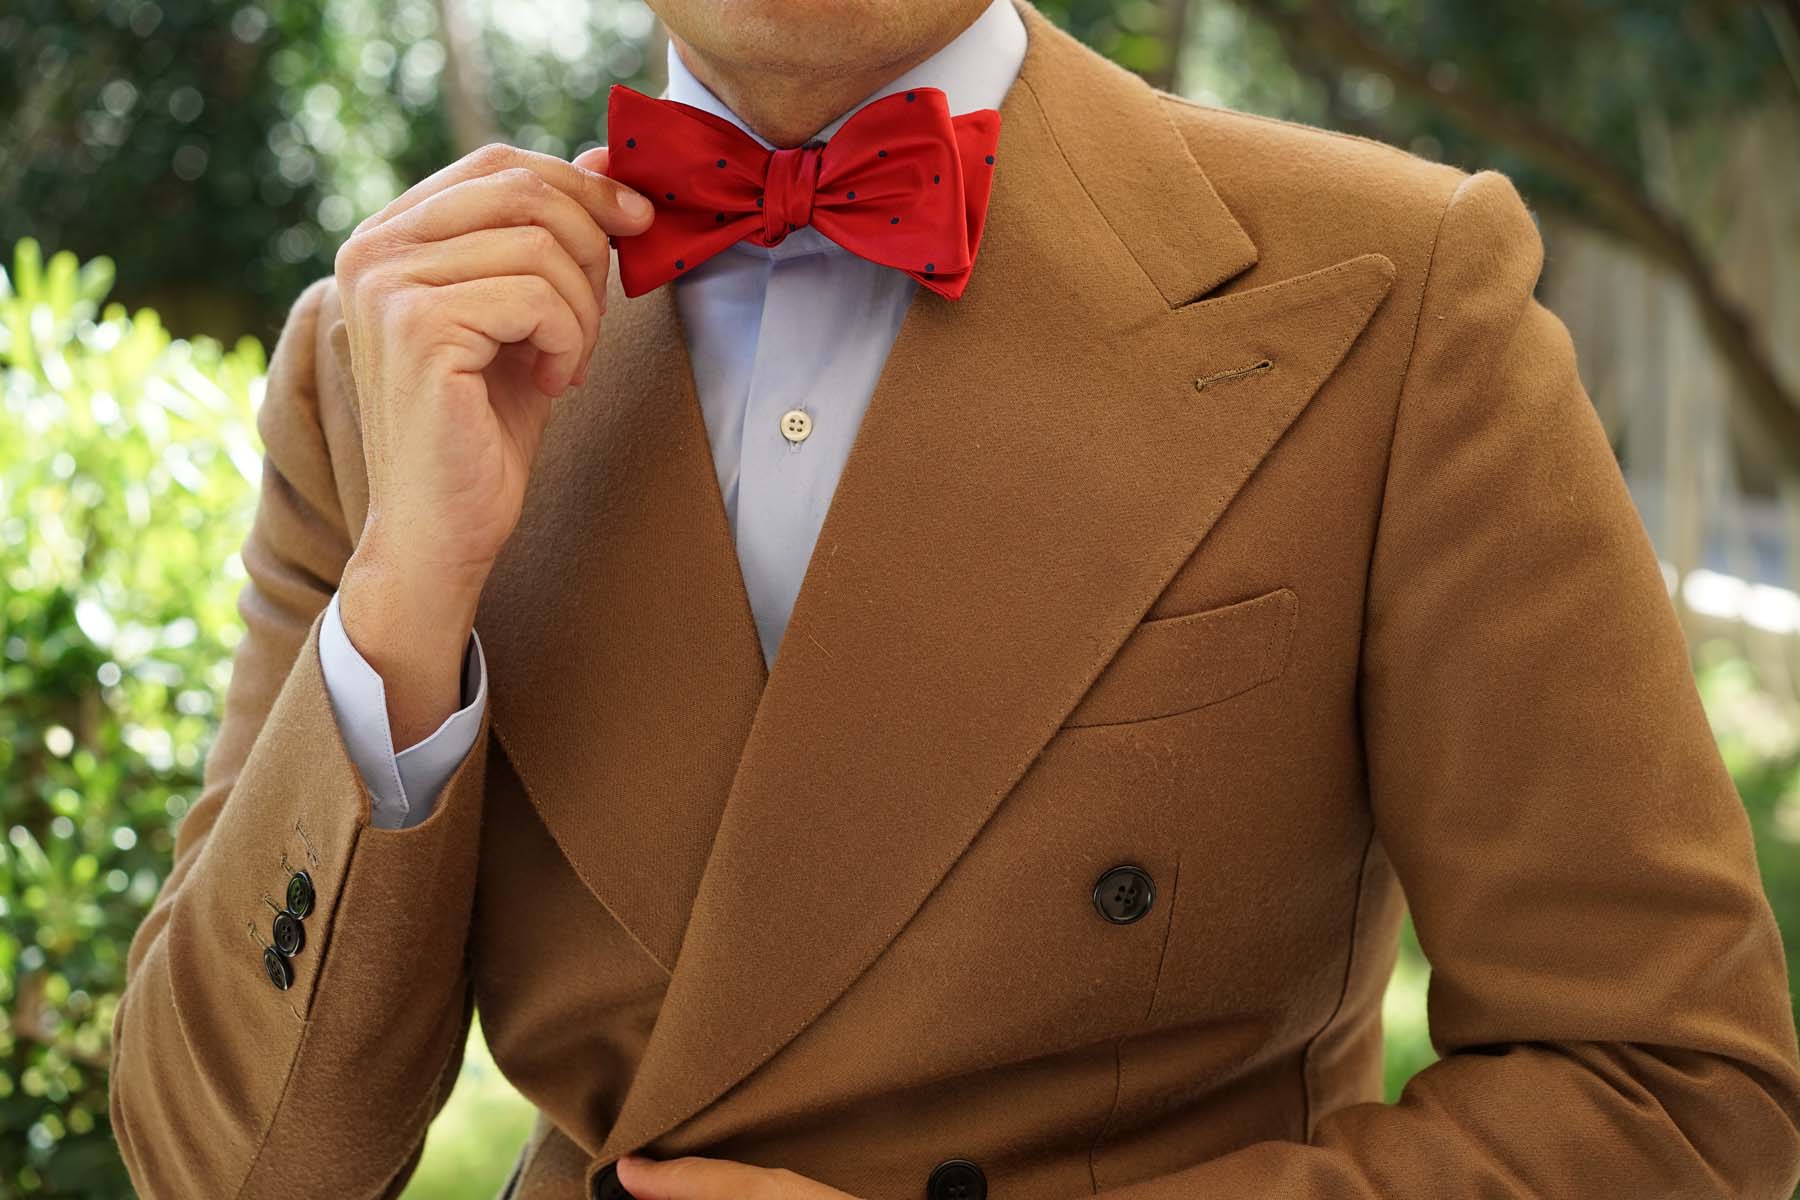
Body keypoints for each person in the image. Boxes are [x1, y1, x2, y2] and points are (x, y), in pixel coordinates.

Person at [109, 0, 1800, 1196]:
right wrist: (413, 592)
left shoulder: (1397, 291)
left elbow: (1673, 1106)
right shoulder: (389, 355)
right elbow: (227, 1168)